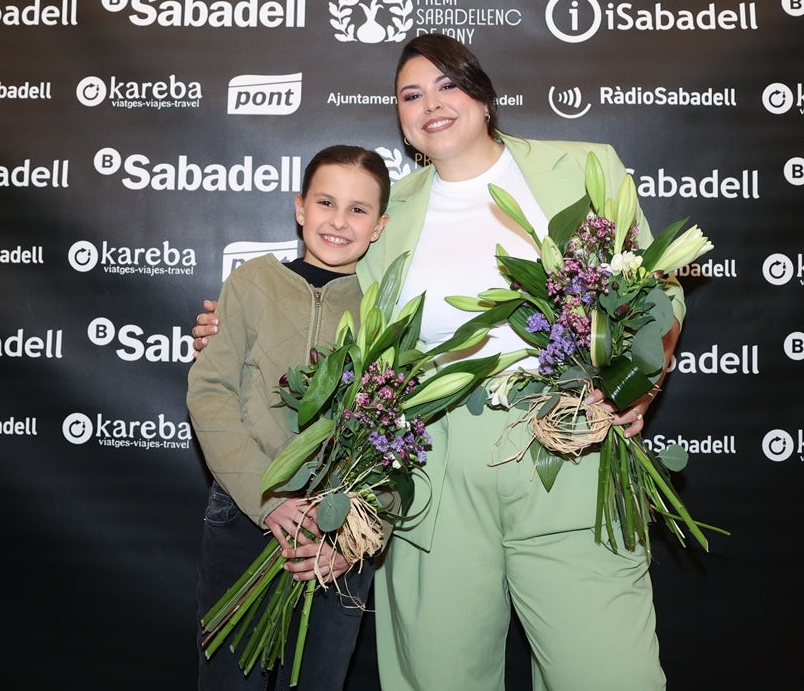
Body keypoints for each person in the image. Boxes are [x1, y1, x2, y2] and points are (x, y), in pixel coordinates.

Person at [193, 34, 683, 691]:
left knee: (608, 673)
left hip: (567, 447)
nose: (432, 104)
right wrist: (225, 328)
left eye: (447, 85)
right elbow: (325, 304)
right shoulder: (388, 215)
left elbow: (657, 295)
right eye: (411, 94)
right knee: (438, 675)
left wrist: (638, 390)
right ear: (399, 117)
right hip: (431, 465)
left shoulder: (583, 167)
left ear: (482, 95)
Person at [188, 144, 391, 691]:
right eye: (326, 202)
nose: (339, 221)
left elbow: (400, 437)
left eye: (358, 209)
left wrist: (354, 536)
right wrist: (267, 495)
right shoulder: (254, 281)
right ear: (300, 207)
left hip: (336, 535)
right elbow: (210, 393)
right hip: (243, 515)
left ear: (379, 226)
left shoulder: (384, 312)